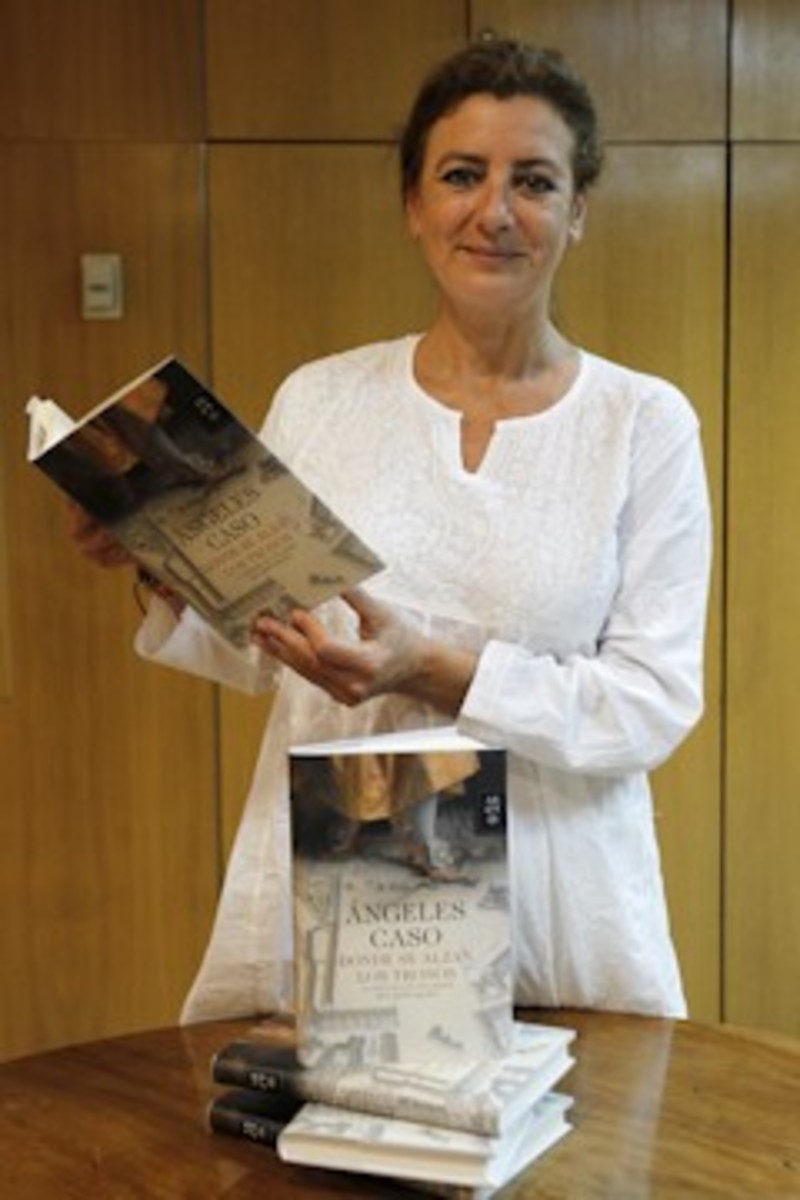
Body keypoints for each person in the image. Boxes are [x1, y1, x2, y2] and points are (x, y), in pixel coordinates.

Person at [69, 37, 712, 1021]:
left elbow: (649, 706)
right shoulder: (322, 398)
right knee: (326, 1118)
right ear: (413, 204)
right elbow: (259, 647)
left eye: (534, 181)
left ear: (576, 210)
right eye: (461, 175)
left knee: (572, 1123)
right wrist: (162, 558)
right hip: (344, 883)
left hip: (558, 900)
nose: (495, 211)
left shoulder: (643, 422)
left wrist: (433, 669)